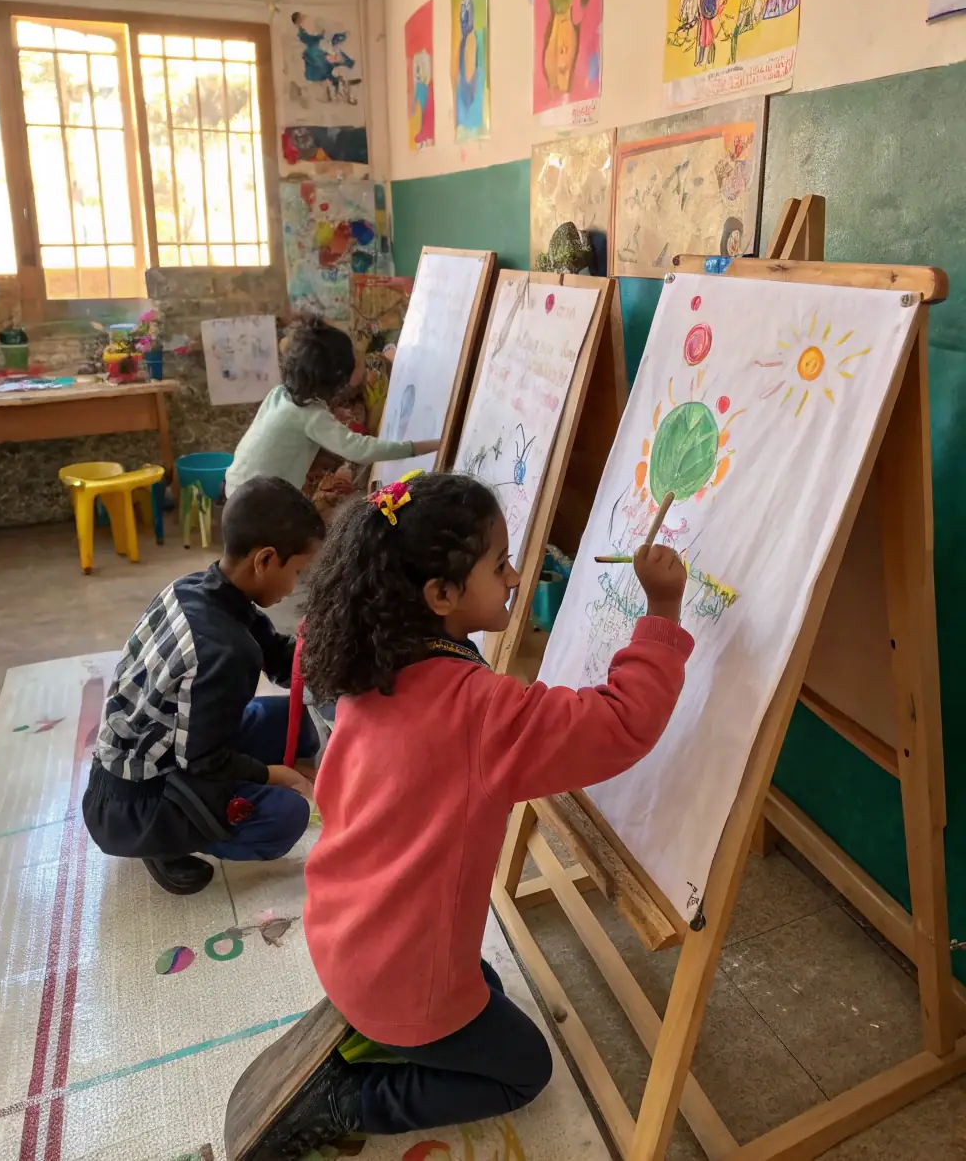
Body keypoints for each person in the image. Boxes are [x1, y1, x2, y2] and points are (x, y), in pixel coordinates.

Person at [251, 471, 693, 1159]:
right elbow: (621, 723)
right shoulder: (478, 712)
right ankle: (346, 1098)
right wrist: (662, 610)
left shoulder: (378, 668)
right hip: (392, 973)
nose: (517, 575)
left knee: (475, 986)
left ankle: (384, 1028)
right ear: (441, 595)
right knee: (524, 1068)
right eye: (500, 563)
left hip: (341, 933)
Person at [81, 477, 326, 896]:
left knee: (295, 720)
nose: (294, 588)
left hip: (164, 751)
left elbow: (282, 658)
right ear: (265, 560)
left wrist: (333, 652)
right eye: (297, 572)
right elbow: (204, 762)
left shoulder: (198, 587)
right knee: (286, 816)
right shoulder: (226, 653)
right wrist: (271, 774)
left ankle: (182, 821)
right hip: (135, 803)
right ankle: (164, 842)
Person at [225, 319, 439, 498]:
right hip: (258, 501)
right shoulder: (309, 416)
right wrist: (418, 447)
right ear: (335, 379)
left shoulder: (281, 394)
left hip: (237, 485)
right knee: (314, 539)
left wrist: (327, 415)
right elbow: (360, 450)